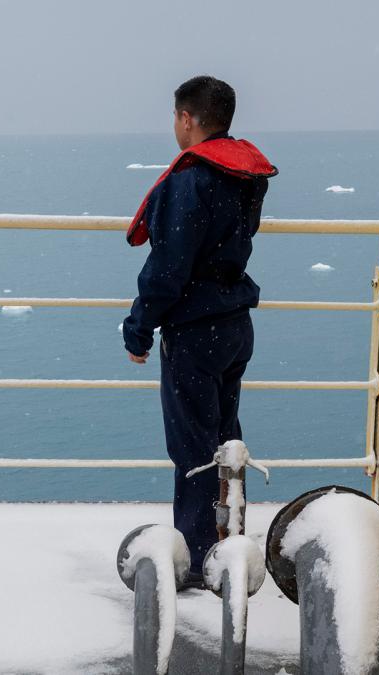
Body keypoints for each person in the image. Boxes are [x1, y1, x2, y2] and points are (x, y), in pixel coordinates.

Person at [122, 75, 277, 588]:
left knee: (193, 450)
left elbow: (169, 268)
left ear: (187, 119)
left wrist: (138, 329)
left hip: (195, 329)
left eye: (175, 117)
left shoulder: (191, 180)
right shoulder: (244, 176)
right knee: (226, 439)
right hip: (235, 324)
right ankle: (230, 545)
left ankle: (196, 562)